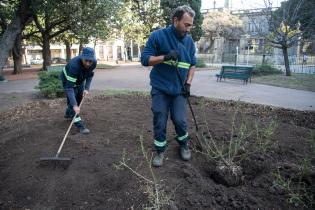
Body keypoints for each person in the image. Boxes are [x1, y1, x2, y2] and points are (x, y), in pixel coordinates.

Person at [141, 5, 197, 167]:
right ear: (175, 20)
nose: (188, 28)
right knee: (160, 118)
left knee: (180, 120)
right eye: (186, 24)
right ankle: (160, 150)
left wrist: (188, 84)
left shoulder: (189, 42)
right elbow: (145, 60)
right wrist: (164, 57)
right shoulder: (158, 36)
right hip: (160, 88)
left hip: (179, 89)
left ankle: (184, 144)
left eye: (190, 25)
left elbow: (192, 65)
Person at [60, 47, 97, 134]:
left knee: (79, 99)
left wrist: (86, 88)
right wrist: (74, 105)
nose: (88, 63)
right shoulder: (74, 65)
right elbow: (69, 88)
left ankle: (68, 113)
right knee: (74, 104)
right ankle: (80, 126)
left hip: (79, 81)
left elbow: (90, 75)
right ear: (82, 57)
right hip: (68, 82)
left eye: (90, 61)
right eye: (86, 60)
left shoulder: (93, 63)